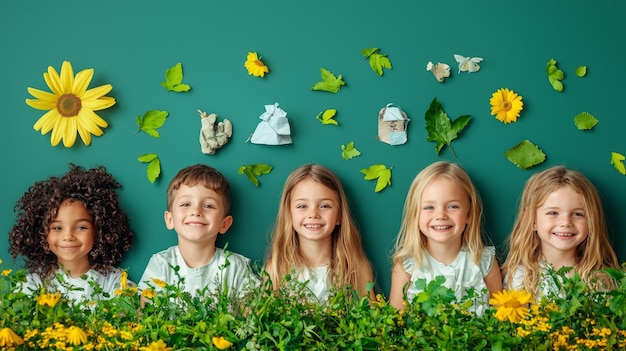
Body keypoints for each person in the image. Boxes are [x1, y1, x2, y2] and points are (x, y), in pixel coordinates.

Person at [8, 164, 134, 301]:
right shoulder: (32, 282)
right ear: (42, 233)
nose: (68, 236)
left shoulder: (114, 282)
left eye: (81, 227)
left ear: (99, 231)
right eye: (57, 228)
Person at [389, 161, 502, 313]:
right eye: (429, 207)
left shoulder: (484, 261)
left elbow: (500, 316)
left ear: (468, 214)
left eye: (453, 206)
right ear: (415, 215)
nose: (441, 215)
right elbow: (396, 320)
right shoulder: (407, 266)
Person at [138, 164, 258, 298]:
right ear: (170, 219)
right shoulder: (161, 263)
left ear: (224, 224)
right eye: (186, 204)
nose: (196, 211)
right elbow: (142, 312)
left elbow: (254, 312)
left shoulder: (235, 267)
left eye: (208, 206)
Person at [502, 166, 620, 301]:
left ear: (592, 221)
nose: (565, 223)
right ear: (531, 221)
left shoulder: (601, 279)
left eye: (578, 214)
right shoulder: (520, 277)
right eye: (553, 213)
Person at [264, 164, 375, 302]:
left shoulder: (356, 266)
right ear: (289, 213)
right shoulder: (276, 268)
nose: (313, 214)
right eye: (302, 206)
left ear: (339, 215)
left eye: (325, 206)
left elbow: (370, 317)